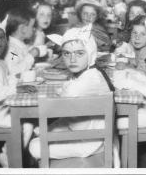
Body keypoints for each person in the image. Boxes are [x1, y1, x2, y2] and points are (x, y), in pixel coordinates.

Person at [29, 25, 120, 167]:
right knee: (40, 131)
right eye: (66, 53)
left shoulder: (91, 78)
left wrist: (64, 89)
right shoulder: (90, 72)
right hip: (84, 130)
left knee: (34, 146)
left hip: (91, 142)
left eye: (79, 53)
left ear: (91, 53)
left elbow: (67, 94)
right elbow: (68, 91)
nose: (72, 59)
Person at [0, 20, 34, 167]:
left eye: (2, 37)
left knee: (28, 122)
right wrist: (15, 87)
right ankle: (8, 159)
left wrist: (16, 80)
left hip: (1, 108)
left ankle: (6, 156)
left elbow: (8, 77)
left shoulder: (1, 62)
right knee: (23, 122)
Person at [4, 7, 44, 76]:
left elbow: (21, 60)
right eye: (32, 26)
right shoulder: (12, 50)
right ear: (23, 29)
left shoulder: (19, 46)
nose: (34, 29)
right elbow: (12, 71)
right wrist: (31, 55)